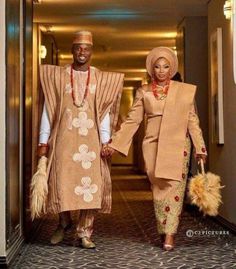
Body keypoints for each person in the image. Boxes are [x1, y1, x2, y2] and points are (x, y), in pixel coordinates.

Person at [103, 47, 207, 251]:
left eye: (166, 66)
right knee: (159, 188)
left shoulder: (183, 91)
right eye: (157, 67)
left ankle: (170, 234)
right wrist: (114, 143)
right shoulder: (144, 91)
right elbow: (132, 121)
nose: (161, 71)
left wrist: (200, 147)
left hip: (178, 143)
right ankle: (164, 226)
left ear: (171, 69)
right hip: (153, 144)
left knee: (174, 187)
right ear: (152, 69)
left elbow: (192, 120)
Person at [37, 31, 124, 248]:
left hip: (92, 143)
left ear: (92, 51)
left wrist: (106, 141)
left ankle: (84, 232)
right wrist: (43, 141)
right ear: (72, 50)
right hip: (63, 140)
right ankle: (64, 222)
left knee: (91, 186)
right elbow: (49, 111)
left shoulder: (100, 78)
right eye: (78, 47)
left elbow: (103, 113)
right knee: (62, 181)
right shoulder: (57, 76)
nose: (82, 52)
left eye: (86, 48)